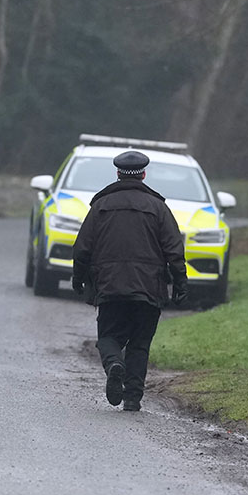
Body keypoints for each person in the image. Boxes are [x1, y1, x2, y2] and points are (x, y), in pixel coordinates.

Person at [72, 149, 189, 412]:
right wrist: (181, 283)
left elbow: (82, 248)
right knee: (140, 343)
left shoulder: (100, 206)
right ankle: (133, 397)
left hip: (110, 285)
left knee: (108, 337)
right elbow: (174, 250)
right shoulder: (158, 207)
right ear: (144, 175)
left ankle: (114, 363)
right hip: (149, 288)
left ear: (118, 173)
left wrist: (78, 278)